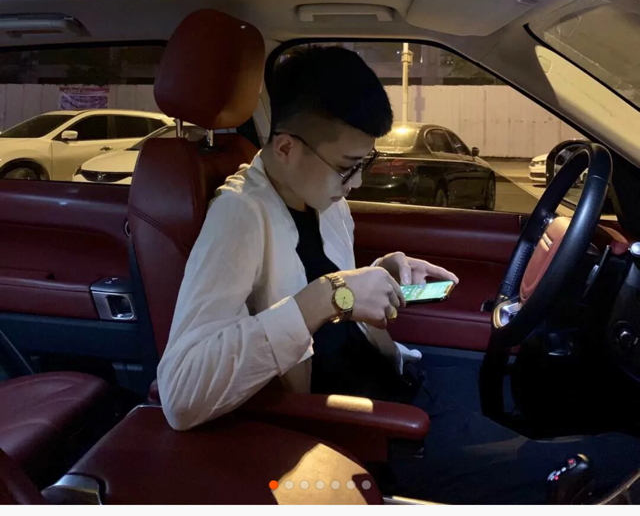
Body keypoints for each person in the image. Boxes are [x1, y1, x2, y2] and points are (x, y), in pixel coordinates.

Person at [157, 46, 640, 504]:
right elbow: (180, 395)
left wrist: (375, 274)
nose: (356, 183)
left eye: (365, 163)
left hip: (399, 378)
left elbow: (322, 286)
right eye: (347, 167)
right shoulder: (239, 215)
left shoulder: (322, 201)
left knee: (558, 412)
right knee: (618, 457)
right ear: (285, 148)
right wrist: (332, 295)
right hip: (368, 432)